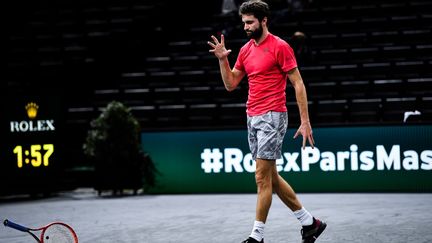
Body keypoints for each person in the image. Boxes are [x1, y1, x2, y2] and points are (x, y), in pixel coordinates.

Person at [207, 0, 327, 242]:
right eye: (244, 23)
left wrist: (305, 121)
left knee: (261, 178)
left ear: (264, 21)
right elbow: (231, 84)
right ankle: (310, 223)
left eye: (250, 22)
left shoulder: (280, 47)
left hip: (273, 116)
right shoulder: (245, 50)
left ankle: (257, 236)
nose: (246, 27)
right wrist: (222, 60)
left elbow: (298, 83)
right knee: (271, 177)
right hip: (252, 117)